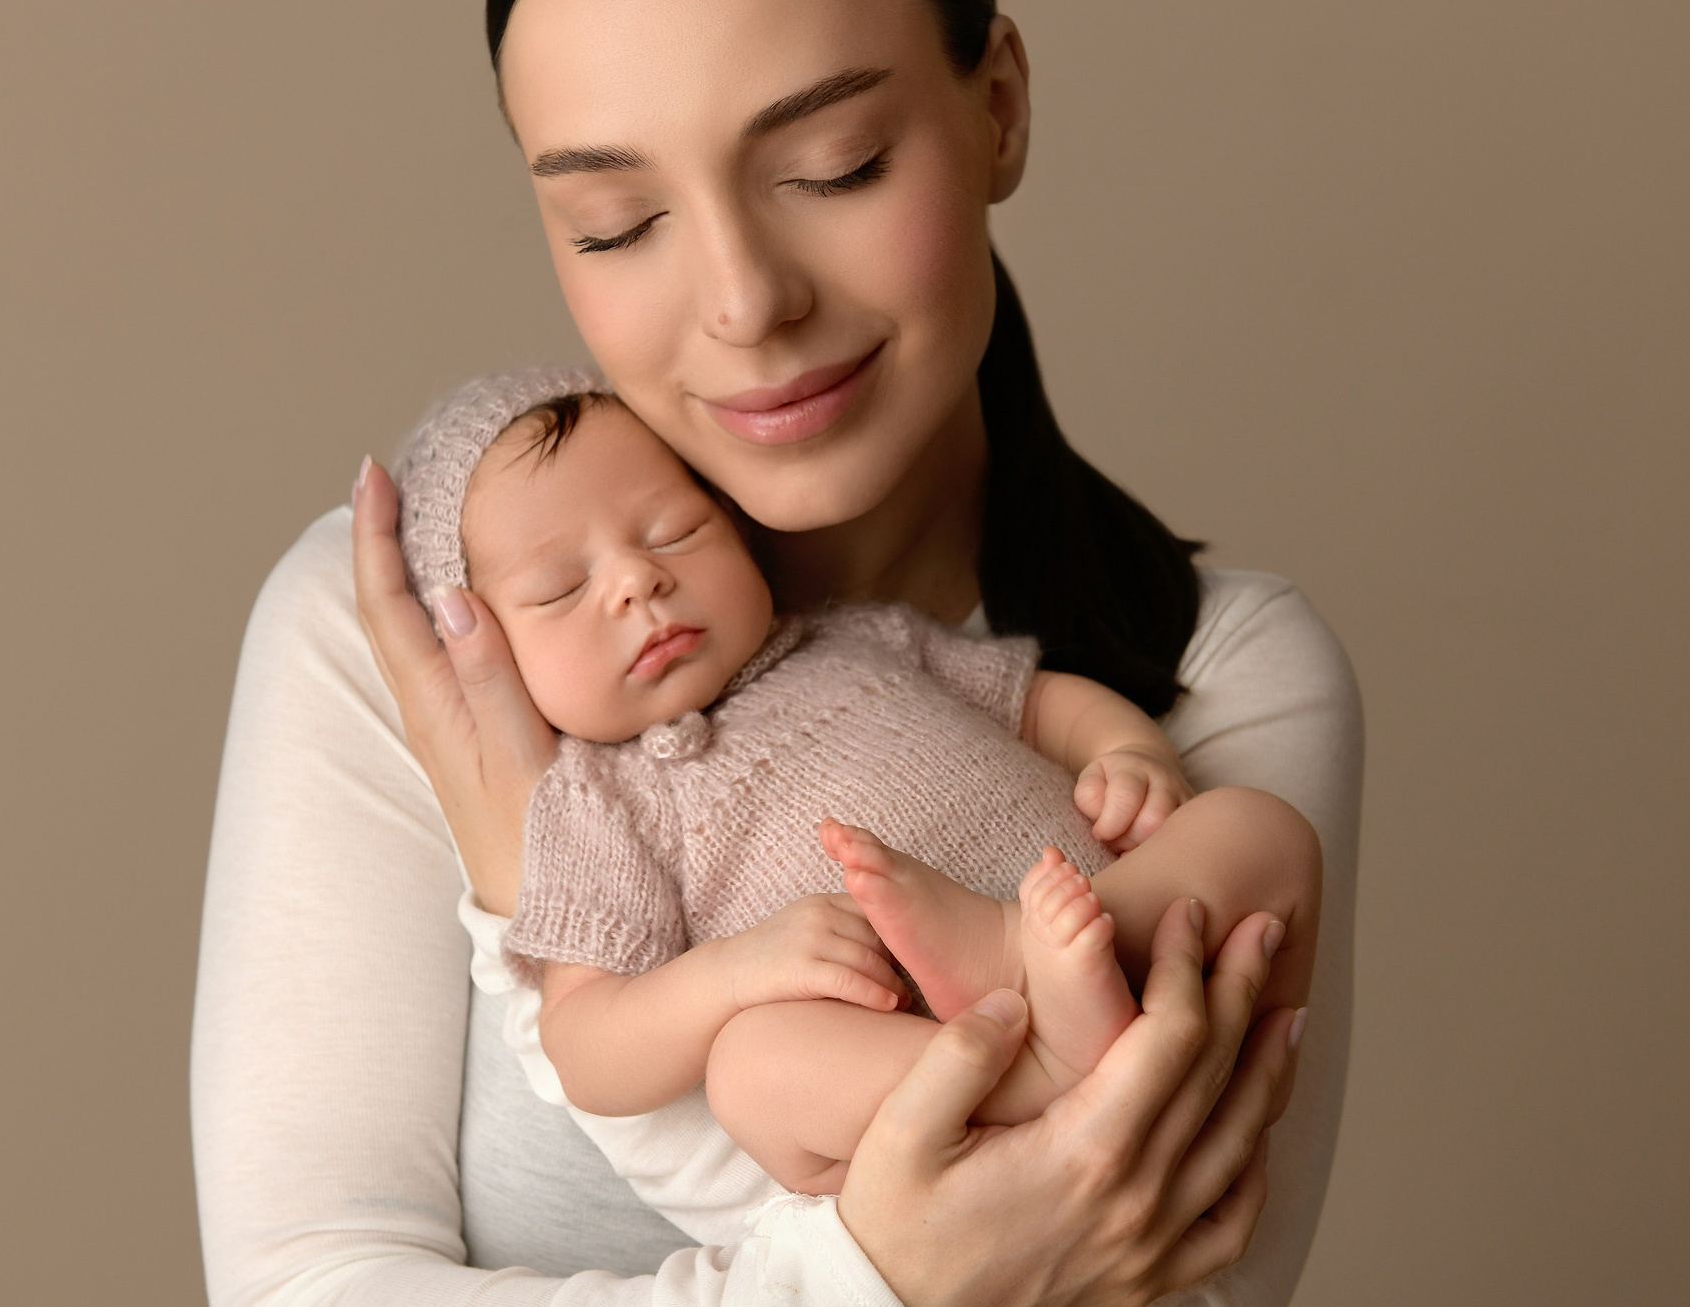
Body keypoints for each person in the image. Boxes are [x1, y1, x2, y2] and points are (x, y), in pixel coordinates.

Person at [191, 0, 1363, 1306]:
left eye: (834, 164)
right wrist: (889, 1270)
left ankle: (1024, 973)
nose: (744, 299)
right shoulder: (420, 639)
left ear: (997, 106)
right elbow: (301, 1288)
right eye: (617, 223)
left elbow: (1170, 1279)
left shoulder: (1220, 675)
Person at [386, 367, 1322, 1211]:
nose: (638, 580)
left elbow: (1038, 704)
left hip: (1100, 927)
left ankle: (1029, 967)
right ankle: (1037, 1074)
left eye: (675, 531)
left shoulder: (858, 637)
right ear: (489, 653)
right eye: (558, 589)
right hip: (914, 1057)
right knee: (753, 1072)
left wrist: (1127, 750)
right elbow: (585, 1042)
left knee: (1255, 828)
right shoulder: (598, 802)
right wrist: (735, 973)